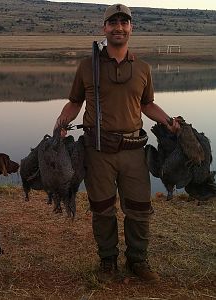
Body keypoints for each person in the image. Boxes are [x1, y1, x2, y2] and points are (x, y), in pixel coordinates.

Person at [54, 3, 180, 282]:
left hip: (134, 150)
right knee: (102, 209)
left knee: (138, 209)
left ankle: (138, 261)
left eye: (124, 22)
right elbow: (75, 102)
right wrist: (60, 123)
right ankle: (108, 262)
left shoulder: (143, 68)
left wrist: (169, 121)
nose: (119, 27)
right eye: (113, 22)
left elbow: (147, 104)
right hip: (97, 151)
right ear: (105, 28)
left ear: (131, 28)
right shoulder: (87, 66)